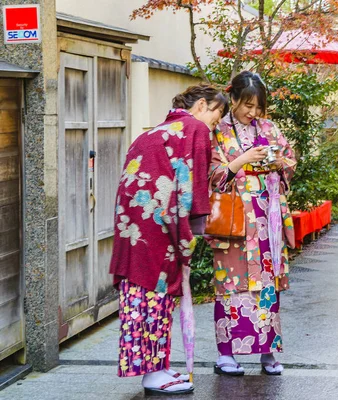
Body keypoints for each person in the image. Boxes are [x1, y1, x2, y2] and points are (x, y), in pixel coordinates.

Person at [110, 85, 229, 395]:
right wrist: (195, 228)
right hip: (158, 226)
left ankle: (157, 368)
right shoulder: (194, 128)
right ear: (202, 105)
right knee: (156, 297)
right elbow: (195, 182)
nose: (213, 126)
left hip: (134, 225)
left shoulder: (155, 132)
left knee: (142, 296)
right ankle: (153, 373)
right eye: (216, 117)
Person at [205, 71, 297, 376]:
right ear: (232, 100)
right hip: (234, 219)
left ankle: (267, 351)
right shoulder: (218, 131)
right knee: (231, 284)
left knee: (267, 284)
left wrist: (280, 163)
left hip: (265, 215)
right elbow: (211, 174)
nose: (253, 112)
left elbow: (289, 159)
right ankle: (226, 353)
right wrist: (241, 160)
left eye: (258, 107)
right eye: (247, 105)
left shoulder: (268, 128)